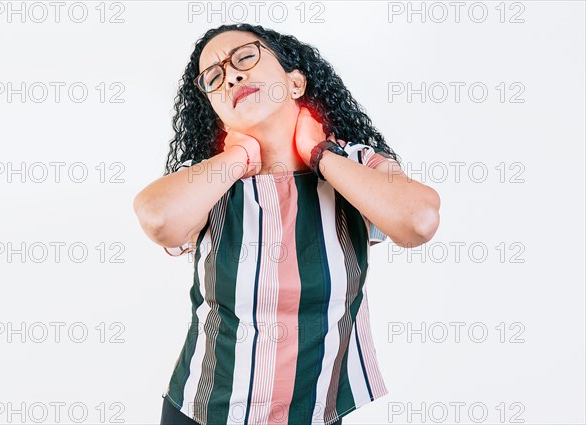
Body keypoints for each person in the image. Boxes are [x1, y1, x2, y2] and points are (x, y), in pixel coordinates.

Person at [133, 23, 441, 425]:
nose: (232, 74)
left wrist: (319, 154)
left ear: (295, 83)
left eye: (244, 56)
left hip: (313, 413)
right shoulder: (208, 180)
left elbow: (419, 221)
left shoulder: (356, 167)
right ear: (217, 109)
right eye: (214, 77)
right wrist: (238, 157)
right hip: (203, 411)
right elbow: (157, 219)